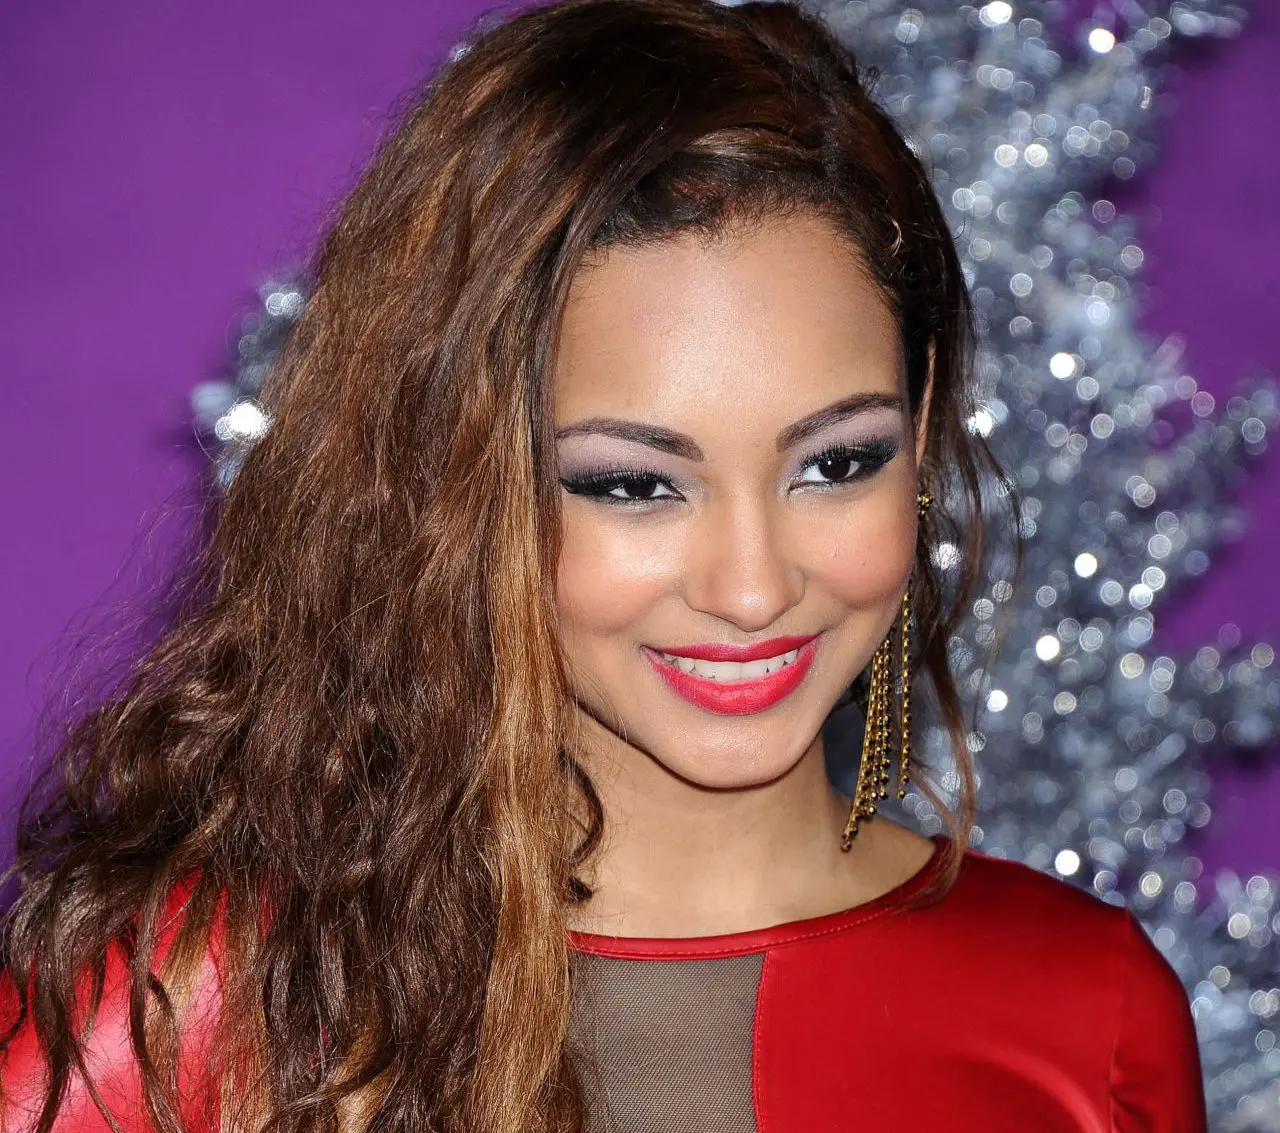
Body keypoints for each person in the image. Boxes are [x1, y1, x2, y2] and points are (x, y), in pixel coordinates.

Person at [0, 0, 1208, 1130]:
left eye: (834, 463)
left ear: (924, 419)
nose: (751, 586)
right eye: (633, 482)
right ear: (457, 482)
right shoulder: (168, 1016)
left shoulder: (1084, 1012)